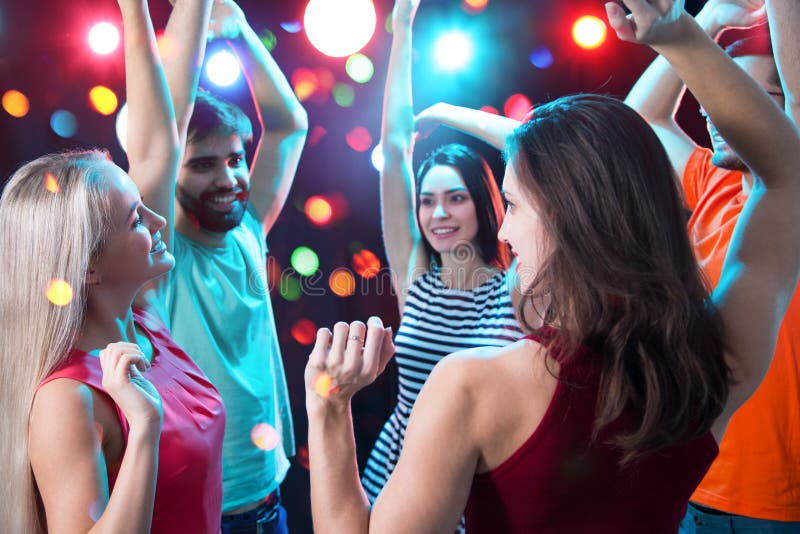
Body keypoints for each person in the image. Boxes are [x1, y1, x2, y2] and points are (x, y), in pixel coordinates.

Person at [302, 0, 800, 531]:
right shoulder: (720, 362)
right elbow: (789, 173)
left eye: (511, 205)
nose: (507, 230)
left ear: (570, 221)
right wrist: (678, 32)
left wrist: (328, 407)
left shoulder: (472, 387)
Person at [0, 0, 226, 532]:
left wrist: (142, 11)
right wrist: (144, 429)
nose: (158, 219)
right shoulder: (67, 400)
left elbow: (158, 144)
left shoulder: (140, 319)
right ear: (89, 269)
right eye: (135, 219)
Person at [625, 0, 800, 529]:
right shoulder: (712, 183)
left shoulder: (793, 197)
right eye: (710, 97)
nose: (716, 114)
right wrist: (715, 16)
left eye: (744, 99)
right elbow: (640, 121)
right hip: (691, 485)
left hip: (775, 509)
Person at [135, 0, 308, 530]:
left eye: (235, 159)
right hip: (198, 516)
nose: (231, 177)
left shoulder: (249, 229)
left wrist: (241, 33)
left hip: (268, 501)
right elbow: (165, 131)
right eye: (204, 164)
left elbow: (289, 125)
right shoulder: (158, 254)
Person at [361, 0, 525, 524]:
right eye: (427, 200)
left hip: (478, 487)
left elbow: (541, 147)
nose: (438, 213)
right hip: (393, 471)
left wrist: (449, 115)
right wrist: (401, 29)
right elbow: (391, 147)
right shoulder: (417, 278)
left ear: (483, 201)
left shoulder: (519, 286)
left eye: (454, 198)